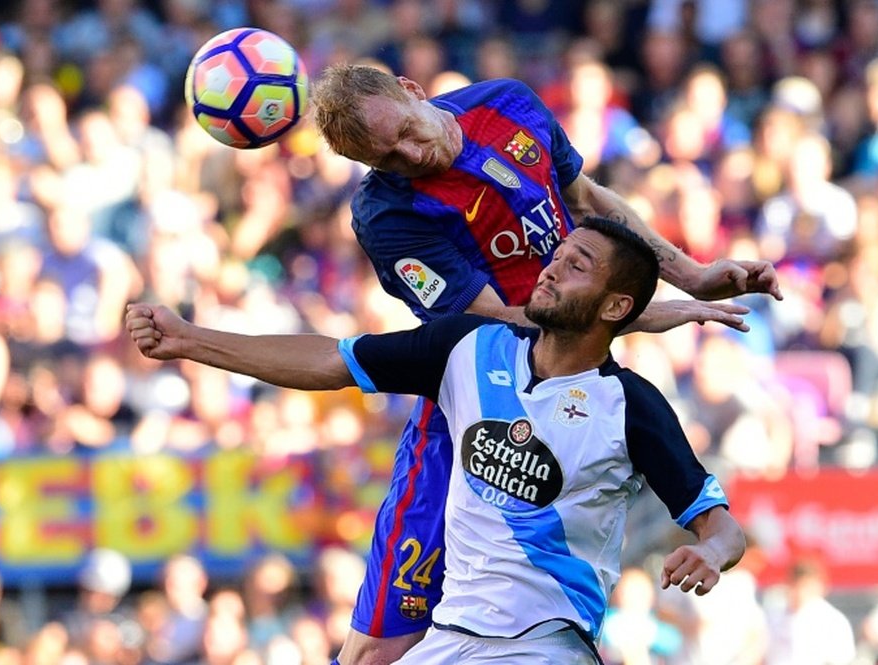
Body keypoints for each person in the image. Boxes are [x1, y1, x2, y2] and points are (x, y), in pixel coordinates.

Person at [306, 64, 779, 665]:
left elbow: (587, 202)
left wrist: (690, 274)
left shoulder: (509, 105)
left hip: (567, 391)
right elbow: (496, 321)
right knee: (380, 647)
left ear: (411, 89)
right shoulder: (387, 216)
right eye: (389, 157)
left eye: (405, 131)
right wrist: (649, 313)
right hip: (470, 406)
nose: (411, 154)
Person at [126, 218, 746, 665]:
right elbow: (331, 361)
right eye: (557, 255)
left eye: (577, 265)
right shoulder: (467, 347)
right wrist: (191, 341)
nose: (553, 266)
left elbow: (723, 527)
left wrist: (711, 553)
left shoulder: (631, 405)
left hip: (545, 643)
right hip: (447, 637)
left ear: (617, 306)